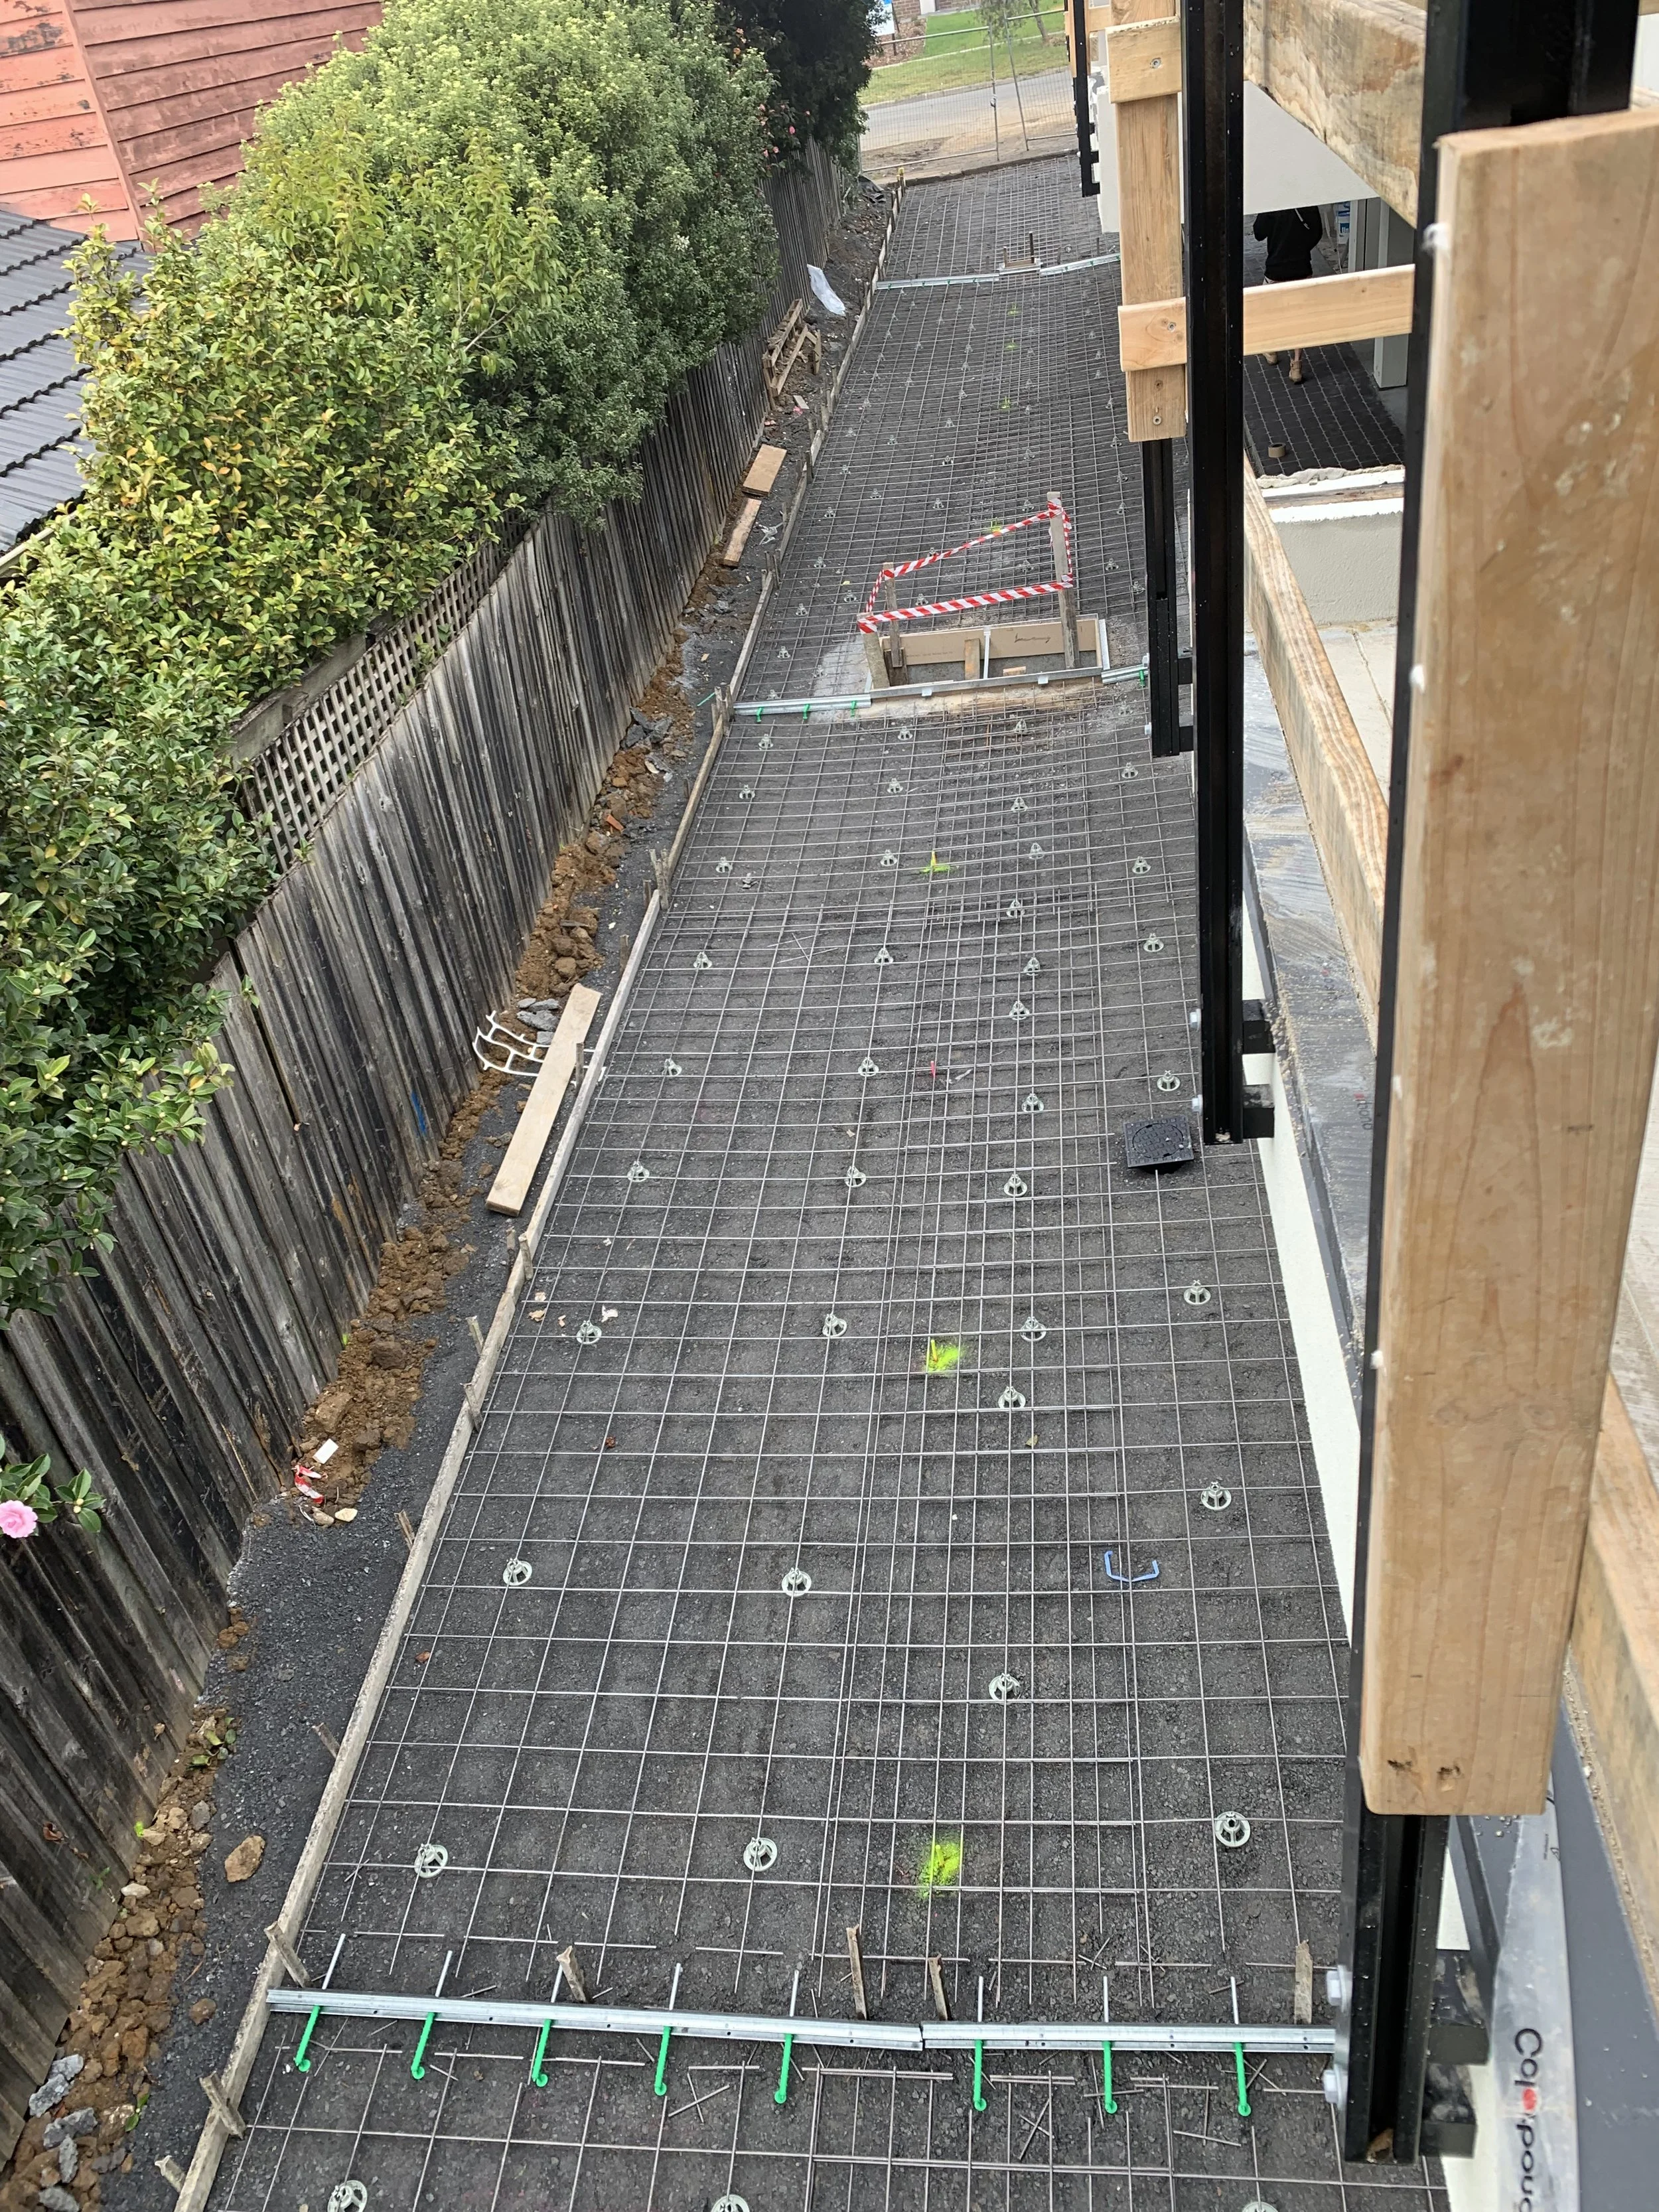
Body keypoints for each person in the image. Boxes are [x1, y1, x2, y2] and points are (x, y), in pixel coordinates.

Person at [1252, 206, 1324, 383]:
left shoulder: (1272, 205)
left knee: (1267, 309)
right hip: (1302, 267)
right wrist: (1301, 249)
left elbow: (1258, 233)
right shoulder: (1308, 205)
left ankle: (1271, 350)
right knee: (1298, 316)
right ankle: (1297, 366)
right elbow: (1317, 233)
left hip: (1276, 269)